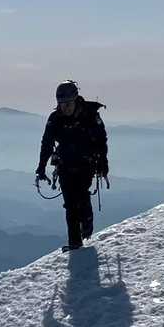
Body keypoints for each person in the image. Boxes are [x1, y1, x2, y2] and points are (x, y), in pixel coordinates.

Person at [35, 80, 109, 251]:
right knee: (70, 204)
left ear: (75, 100)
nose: (65, 107)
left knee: (80, 195)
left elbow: (101, 141)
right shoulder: (55, 119)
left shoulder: (90, 116)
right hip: (65, 164)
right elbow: (47, 144)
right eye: (62, 104)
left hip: (86, 163)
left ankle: (87, 219)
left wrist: (103, 164)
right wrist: (41, 167)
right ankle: (75, 243)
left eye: (68, 104)